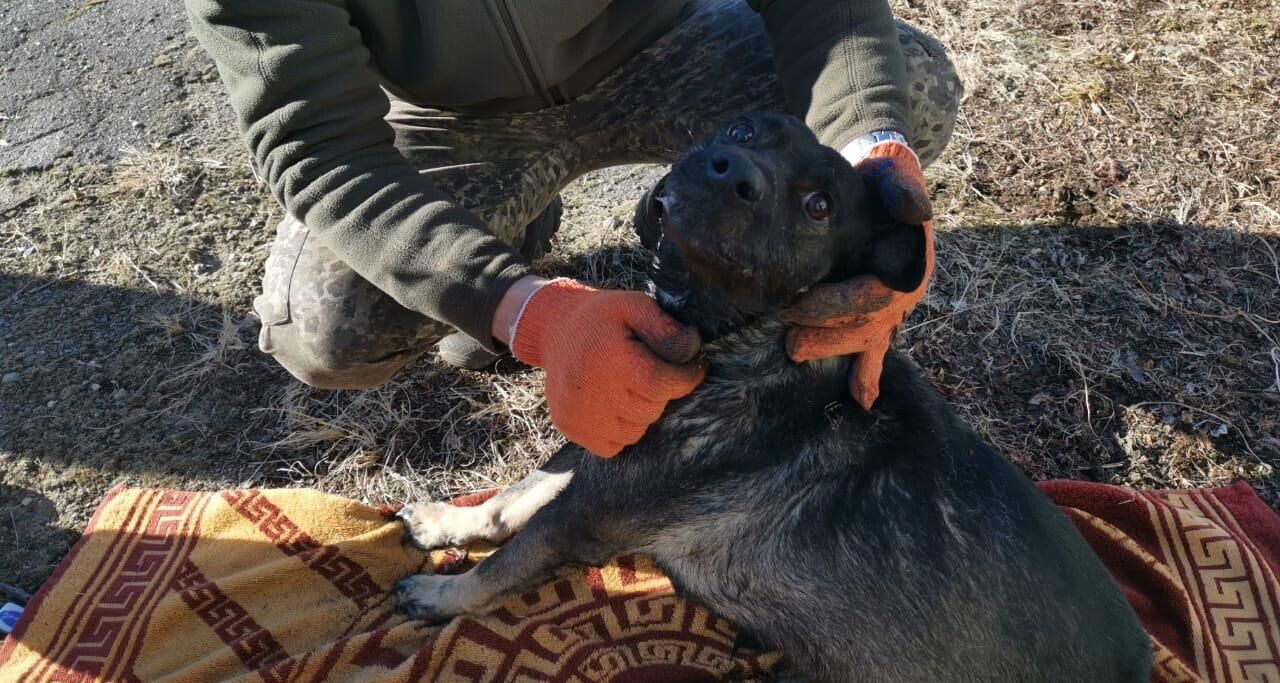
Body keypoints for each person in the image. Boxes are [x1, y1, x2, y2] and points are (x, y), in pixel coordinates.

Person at [187, 0, 961, 458]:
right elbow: (319, 148)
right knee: (330, 328)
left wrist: (871, 152)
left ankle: (686, 216)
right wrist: (524, 311)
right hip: (453, 116)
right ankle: (511, 233)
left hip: (668, 36)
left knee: (910, 91)